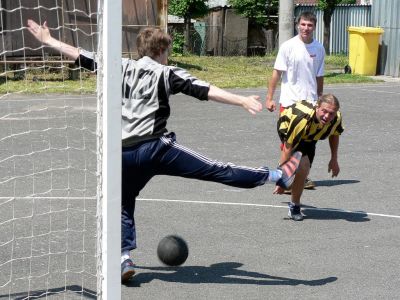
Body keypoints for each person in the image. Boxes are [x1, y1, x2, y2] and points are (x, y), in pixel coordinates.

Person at [27, 20, 302, 282]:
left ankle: (124, 258)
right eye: (167, 51)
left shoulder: (118, 66)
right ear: (160, 51)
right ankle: (277, 176)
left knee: (122, 202)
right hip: (156, 148)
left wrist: (48, 39)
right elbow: (204, 89)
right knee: (216, 169)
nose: (168, 56)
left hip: (120, 155)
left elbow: (81, 55)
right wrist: (241, 100)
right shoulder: (166, 72)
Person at [266, 11, 325, 190]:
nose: (306, 28)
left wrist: (320, 97)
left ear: (314, 27)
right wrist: (269, 98)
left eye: (310, 25)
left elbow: (319, 75)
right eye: (303, 24)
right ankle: (283, 178)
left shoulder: (319, 48)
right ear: (297, 25)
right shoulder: (288, 46)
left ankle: (299, 175)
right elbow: (277, 73)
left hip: (311, 104)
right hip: (290, 103)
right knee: (288, 142)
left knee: (308, 142)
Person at [274, 94, 344, 221]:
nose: (327, 116)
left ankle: (294, 201)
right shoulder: (302, 119)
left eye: (331, 113)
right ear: (317, 107)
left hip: (311, 137)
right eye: (324, 111)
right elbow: (288, 147)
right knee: (302, 167)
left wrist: (334, 159)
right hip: (290, 127)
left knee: (303, 169)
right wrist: (282, 180)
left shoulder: (336, 118)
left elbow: (334, 134)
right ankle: (295, 206)